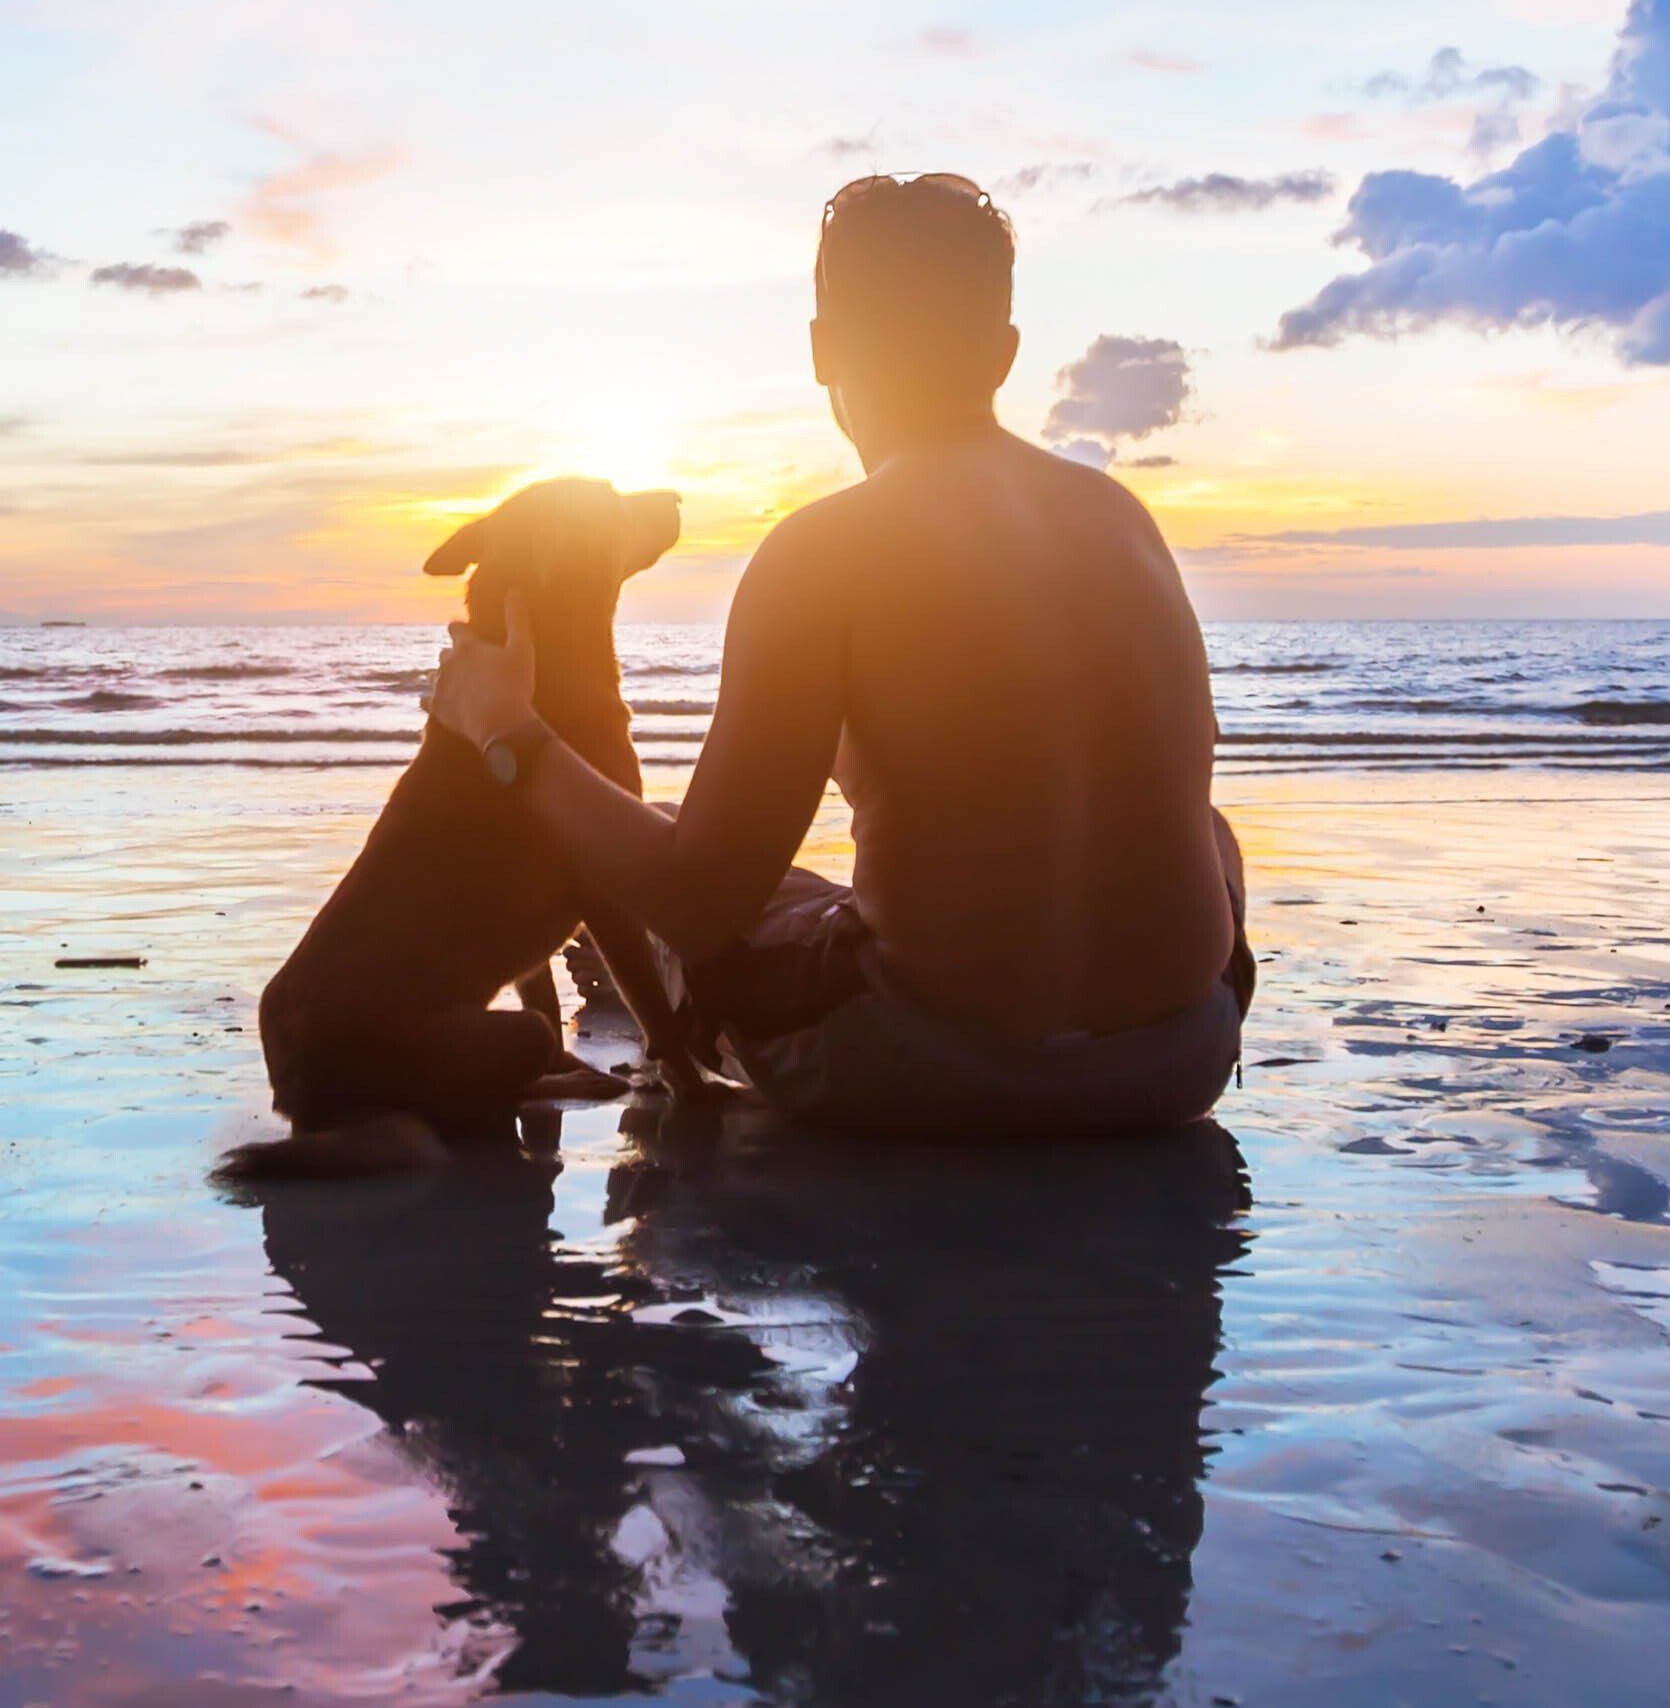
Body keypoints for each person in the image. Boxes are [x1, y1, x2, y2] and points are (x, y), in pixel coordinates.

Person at [427, 173, 1254, 1135]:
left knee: (662, 867)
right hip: (1176, 1059)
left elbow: (701, 902)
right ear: (1004, 354)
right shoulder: (1124, 520)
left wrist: (506, 729)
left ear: (824, 352)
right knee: (1212, 830)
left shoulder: (821, 552)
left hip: (928, 1072)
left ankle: (645, 998)